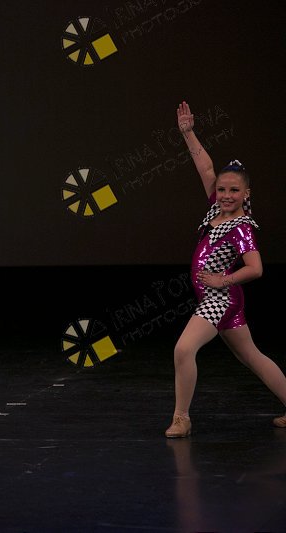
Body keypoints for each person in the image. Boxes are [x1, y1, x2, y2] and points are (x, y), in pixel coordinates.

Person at [166, 102, 286, 438]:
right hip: (218, 298)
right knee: (252, 357)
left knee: (183, 349)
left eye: (234, 191)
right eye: (222, 189)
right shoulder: (215, 209)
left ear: (246, 194)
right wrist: (188, 133)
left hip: (220, 299)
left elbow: (256, 268)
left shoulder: (241, 226)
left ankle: (181, 418)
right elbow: (205, 167)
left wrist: (223, 279)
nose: (226, 195)